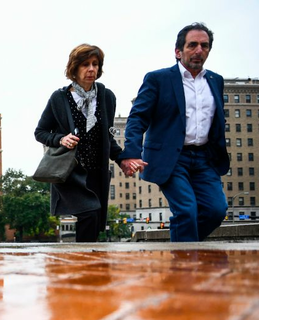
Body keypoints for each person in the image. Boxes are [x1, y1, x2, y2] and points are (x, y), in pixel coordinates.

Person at [118, 23, 230, 242]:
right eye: (193, 45)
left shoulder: (216, 81)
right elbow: (138, 117)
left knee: (217, 210)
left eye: (204, 46)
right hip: (172, 158)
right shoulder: (158, 79)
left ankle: (184, 250)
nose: (199, 50)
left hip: (205, 158)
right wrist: (131, 152)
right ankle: (185, 266)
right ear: (178, 51)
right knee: (186, 210)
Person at [34, 44, 125, 242]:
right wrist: (60, 139)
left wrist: (123, 160)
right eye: (85, 64)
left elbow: (107, 139)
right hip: (70, 172)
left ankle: (86, 266)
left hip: (96, 172)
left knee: (94, 221)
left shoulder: (107, 97)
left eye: (95, 64)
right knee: (90, 212)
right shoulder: (59, 98)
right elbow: (40, 132)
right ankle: (86, 266)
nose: (91, 69)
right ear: (74, 69)